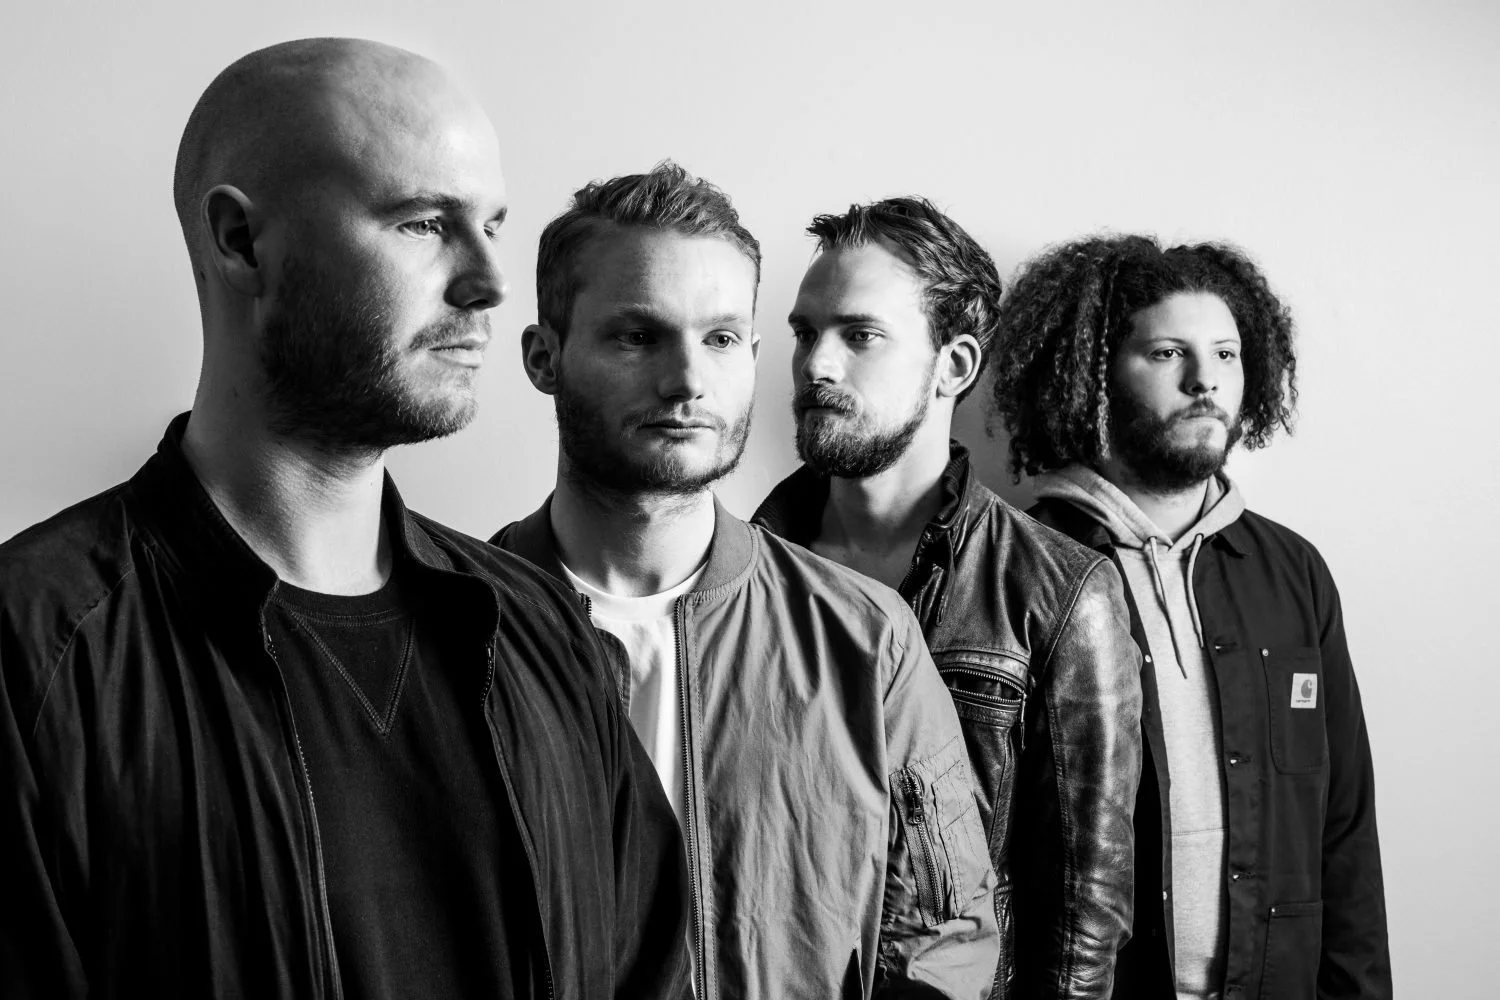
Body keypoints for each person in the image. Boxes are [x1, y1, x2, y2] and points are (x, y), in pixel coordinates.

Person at [0, 38, 690, 999]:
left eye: (491, 222)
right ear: (241, 243)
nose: (492, 280)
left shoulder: (543, 630)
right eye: (420, 224)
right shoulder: (33, 650)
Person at [490, 163, 999, 999]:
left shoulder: (868, 641)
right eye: (636, 335)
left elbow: (946, 940)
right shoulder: (448, 631)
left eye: (721, 339)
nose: (688, 380)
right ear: (545, 358)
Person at [753, 197, 1143, 999]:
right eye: (804, 332)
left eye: (860, 336)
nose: (816, 365)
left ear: (954, 366)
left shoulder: (1060, 592)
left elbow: (1082, 924)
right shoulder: (746, 563)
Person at [990, 234, 1390, 1000]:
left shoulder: (1293, 573)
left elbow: (1345, 831)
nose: (1207, 380)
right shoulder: (1023, 565)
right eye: (1170, 353)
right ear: (1094, 374)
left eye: (1227, 355)